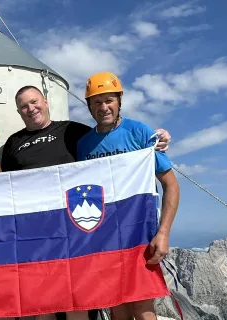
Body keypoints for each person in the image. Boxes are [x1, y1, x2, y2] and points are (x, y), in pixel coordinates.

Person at [0, 85, 172, 320]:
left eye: (34, 101)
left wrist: (158, 136)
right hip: (39, 235)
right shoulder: (13, 143)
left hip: (84, 231)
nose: (30, 108)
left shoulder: (73, 132)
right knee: (46, 304)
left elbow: (107, 133)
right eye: (24, 106)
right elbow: (4, 185)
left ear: (46, 101)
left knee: (89, 302)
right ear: (18, 111)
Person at [77, 72, 180, 320]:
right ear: (89, 106)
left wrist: (163, 234)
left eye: (109, 100)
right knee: (117, 306)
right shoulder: (83, 144)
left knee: (142, 308)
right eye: (97, 102)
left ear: (120, 99)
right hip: (104, 236)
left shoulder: (139, 132)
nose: (104, 107)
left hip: (139, 233)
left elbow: (171, 185)